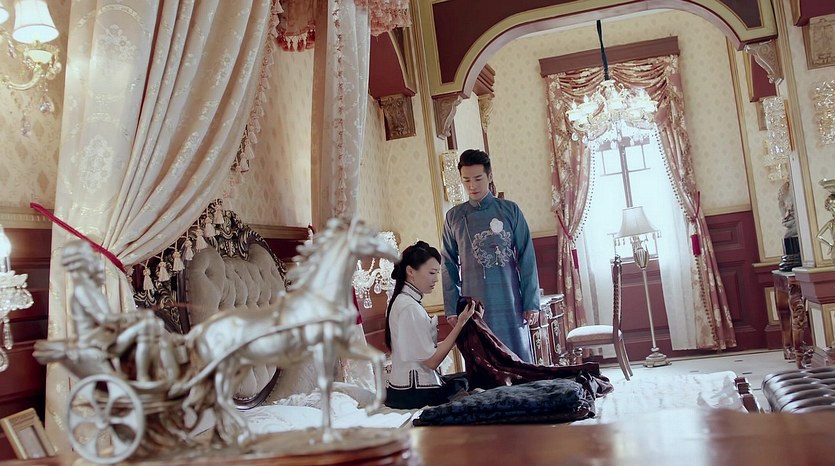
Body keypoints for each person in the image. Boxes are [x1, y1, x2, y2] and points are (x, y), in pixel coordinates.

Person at [442, 149, 541, 363]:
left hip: (510, 301)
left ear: (489, 176)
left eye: (478, 179)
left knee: (518, 360)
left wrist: (531, 302)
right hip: (474, 306)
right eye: (466, 180)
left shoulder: (510, 210)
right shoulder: (454, 217)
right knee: (483, 362)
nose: (472, 186)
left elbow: (526, 257)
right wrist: (451, 308)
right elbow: (448, 264)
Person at [384, 241, 476, 409]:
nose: (436, 279)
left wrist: (461, 325)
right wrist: (460, 324)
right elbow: (432, 362)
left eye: (437, 273)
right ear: (410, 271)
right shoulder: (409, 307)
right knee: (470, 382)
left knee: (468, 379)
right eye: (432, 273)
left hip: (407, 390)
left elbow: (427, 353)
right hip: (413, 394)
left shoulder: (406, 302)